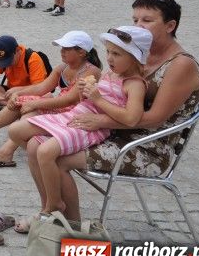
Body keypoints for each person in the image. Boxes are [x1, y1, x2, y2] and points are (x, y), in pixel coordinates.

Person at [45, 0, 199, 224]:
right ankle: (51, 214)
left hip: (146, 147)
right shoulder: (135, 55)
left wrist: (101, 120)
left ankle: (71, 226)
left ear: (170, 25)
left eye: (147, 20)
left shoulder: (181, 65)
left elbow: (155, 119)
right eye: (135, 19)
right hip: (119, 132)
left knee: (58, 159)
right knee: (40, 141)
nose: (138, 25)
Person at [8, 26, 150, 219]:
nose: (109, 58)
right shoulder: (110, 74)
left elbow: (131, 118)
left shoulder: (135, 84)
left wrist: (97, 99)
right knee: (16, 132)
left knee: (43, 151)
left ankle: (53, 203)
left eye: (116, 54)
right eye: (108, 52)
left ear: (134, 58)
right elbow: (88, 100)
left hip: (90, 127)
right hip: (76, 115)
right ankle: (51, 200)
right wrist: (86, 93)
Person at [0, 31, 102, 169]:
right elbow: (40, 88)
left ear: (82, 52)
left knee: (33, 107)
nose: (61, 51)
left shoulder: (91, 71)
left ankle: (6, 151)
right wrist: (19, 95)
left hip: (75, 114)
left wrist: (32, 102)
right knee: (21, 101)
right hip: (62, 107)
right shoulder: (63, 67)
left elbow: (69, 100)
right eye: (62, 48)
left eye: (66, 49)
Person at [0, 35, 50, 109]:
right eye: (3, 61)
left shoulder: (33, 59)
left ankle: (11, 107)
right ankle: (13, 106)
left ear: (17, 50)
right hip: (11, 92)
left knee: (48, 96)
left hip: (31, 93)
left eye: (9, 60)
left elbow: (39, 87)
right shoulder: (2, 56)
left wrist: (18, 90)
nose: (7, 64)